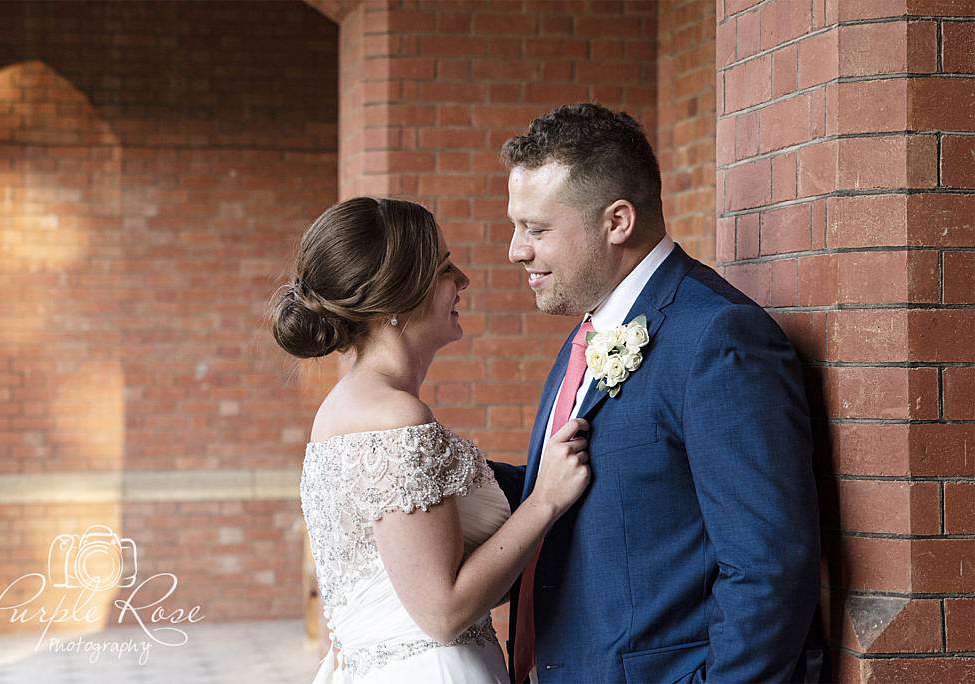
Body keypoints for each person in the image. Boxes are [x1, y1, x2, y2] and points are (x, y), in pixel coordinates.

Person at [491, 103, 822, 683]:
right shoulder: (588, 333)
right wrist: (432, 468)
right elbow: (605, 494)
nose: (517, 250)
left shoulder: (717, 338)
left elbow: (769, 570)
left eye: (537, 229)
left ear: (617, 221)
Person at [272, 197, 591, 683]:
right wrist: (545, 500)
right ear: (399, 300)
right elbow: (442, 613)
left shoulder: (345, 407)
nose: (462, 280)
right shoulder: (395, 419)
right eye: (445, 269)